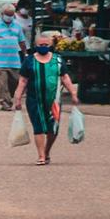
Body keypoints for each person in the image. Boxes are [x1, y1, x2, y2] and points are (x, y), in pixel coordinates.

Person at [13, 33, 79, 165]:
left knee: (52, 129)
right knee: (38, 127)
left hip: (53, 101)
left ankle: (47, 151)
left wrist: (73, 93)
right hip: (34, 100)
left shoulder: (58, 60)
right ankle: (41, 155)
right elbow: (23, 80)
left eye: (46, 45)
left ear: (51, 45)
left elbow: (64, 77)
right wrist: (18, 98)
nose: (43, 47)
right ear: (35, 46)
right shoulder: (29, 61)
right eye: (40, 45)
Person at [0, 4, 27, 111]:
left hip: (14, 60)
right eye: (7, 15)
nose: (9, 17)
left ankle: (9, 98)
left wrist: (25, 54)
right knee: (3, 83)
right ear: (2, 14)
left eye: (11, 15)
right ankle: (5, 102)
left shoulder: (17, 26)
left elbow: (22, 41)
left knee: (15, 81)